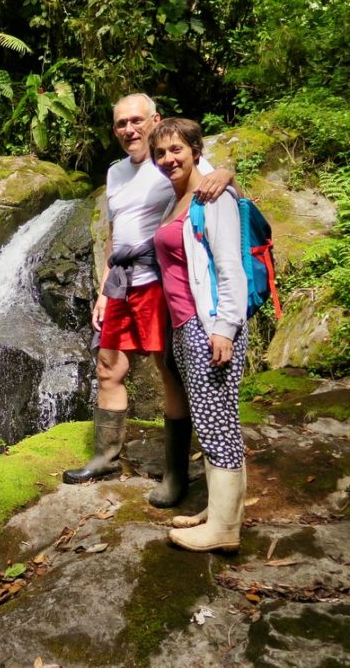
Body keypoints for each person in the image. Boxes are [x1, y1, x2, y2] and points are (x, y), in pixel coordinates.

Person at [62, 93, 234, 512]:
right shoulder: (115, 172)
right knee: (108, 366)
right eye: (121, 123)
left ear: (154, 120)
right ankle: (105, 458)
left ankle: (175, 476)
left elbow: (213, 181)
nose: (129, 130)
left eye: (136, 121)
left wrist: (226, 173)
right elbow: (114, 234)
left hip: (159, 280)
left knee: (167, 371)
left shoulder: (166, 161)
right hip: (121, 280)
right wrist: (104, 289)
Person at [150, 117, 248, 551]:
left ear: (194, 150)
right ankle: (221, 511)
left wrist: (225, 329)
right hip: (185, 325)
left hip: (209, 326)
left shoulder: (211, 196)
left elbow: (231, 268)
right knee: (216, 420)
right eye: (160, 153)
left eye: (176, 150)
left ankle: (225, 530)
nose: (169, 159)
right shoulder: (178, 200)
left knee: (214, 423)